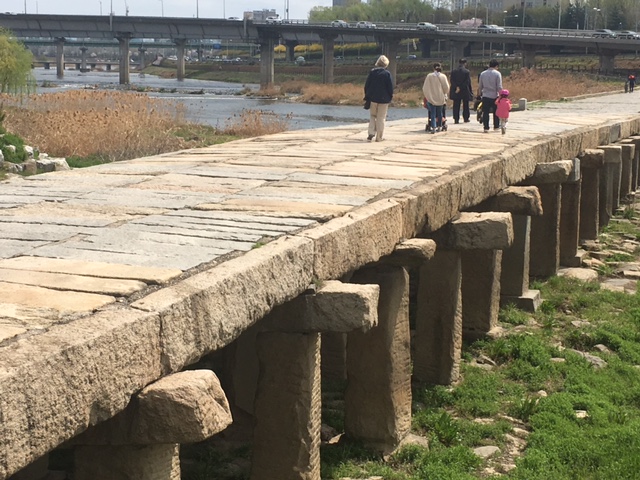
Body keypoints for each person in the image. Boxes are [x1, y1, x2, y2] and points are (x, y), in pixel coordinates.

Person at [364, 55, 394, 142]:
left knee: (372, 116)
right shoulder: (387, 74)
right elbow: (390, 87)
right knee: (381, 118)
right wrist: (390, 96)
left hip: (373, 98)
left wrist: (367, 96)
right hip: (384, 99)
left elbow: (367, 85)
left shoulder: (372, 72)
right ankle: (379, 137)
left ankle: (371, 132)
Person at [422, 62, 450, 134]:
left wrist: (428, 96)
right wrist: (444, 93)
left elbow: (425, 88)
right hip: (440, 98)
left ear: (433, 68)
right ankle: (439, 126)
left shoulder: (429, 76)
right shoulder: (443, 76)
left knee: (432, 114)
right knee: (440, 113)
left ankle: (433, 127)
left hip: (431, 98)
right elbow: (446, 88)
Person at [477, 59, 503, 133]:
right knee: (496, 112)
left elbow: (480, 86)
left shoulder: (483, 74)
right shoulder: (497, 74)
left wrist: (479, 94)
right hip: (495, 95)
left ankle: (486, 127)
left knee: (485, 112)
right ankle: (496, 126)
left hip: (485, 95)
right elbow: (499, 86)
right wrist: (501, 95)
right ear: (496, 66)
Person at [449, 58, 473, 124]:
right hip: (464, 90)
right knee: (465, 104)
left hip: (456, 90)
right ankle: (466, 118)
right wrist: (461, 87)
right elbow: (467, 82)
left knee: (456, 105)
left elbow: (452, 81)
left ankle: (456, 119)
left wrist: (457, 87)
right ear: (465, 63)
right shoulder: (466, 72)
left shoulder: (454, 71)